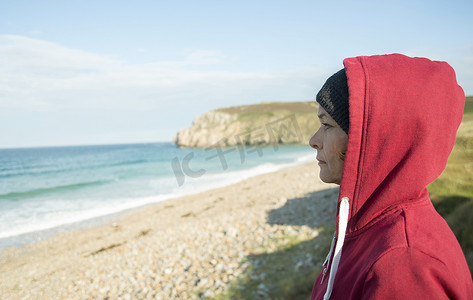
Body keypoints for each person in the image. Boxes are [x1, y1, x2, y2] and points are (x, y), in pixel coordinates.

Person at [308, 53, 473, 299]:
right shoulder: (371, 222)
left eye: (328, 125)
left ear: (376, 139)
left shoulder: (402, 264)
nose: (313, 141)